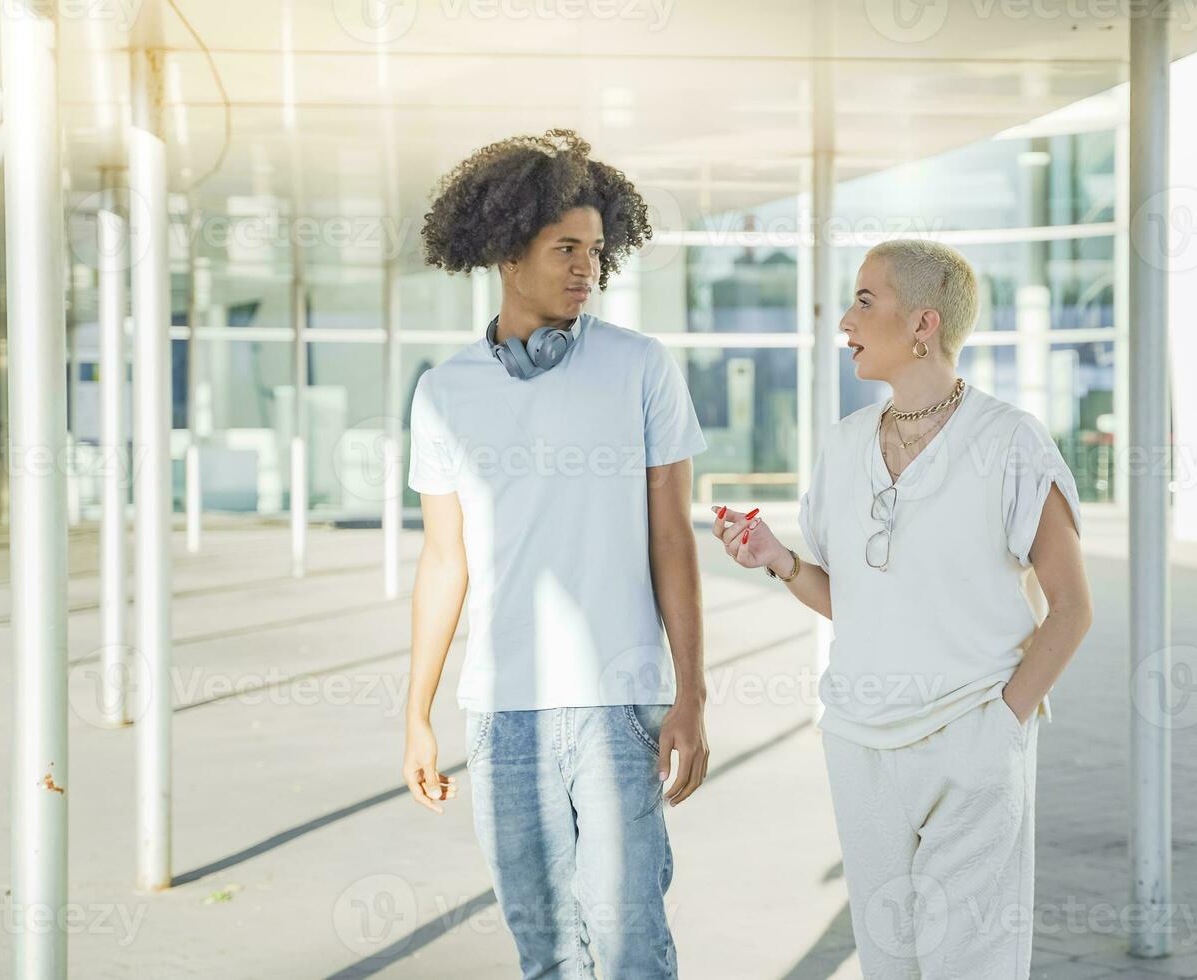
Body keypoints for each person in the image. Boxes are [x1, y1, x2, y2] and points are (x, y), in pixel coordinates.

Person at [711, 239, 1093, 978]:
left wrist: (1000, 726)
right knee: (890, 963)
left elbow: (1072, 607)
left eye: (864, 301)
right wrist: (780, 561)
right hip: (859, 745)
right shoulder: (844, 444)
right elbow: (848, 601)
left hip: (971, 737)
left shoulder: (1010, 441)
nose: (846, 321)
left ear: (923, 323)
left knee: (969, 964)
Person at [401, 129, 709, 979]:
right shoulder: (444, 392)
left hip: (619, 705)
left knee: (629, 948)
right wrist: (417, 712)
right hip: (504, 713)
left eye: (597, 251)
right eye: (565, 248)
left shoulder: (641, 367)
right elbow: (442, 562)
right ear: (506, 251)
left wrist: (692, 694)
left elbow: (673, 538)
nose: (587, 269)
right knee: (546, 955)